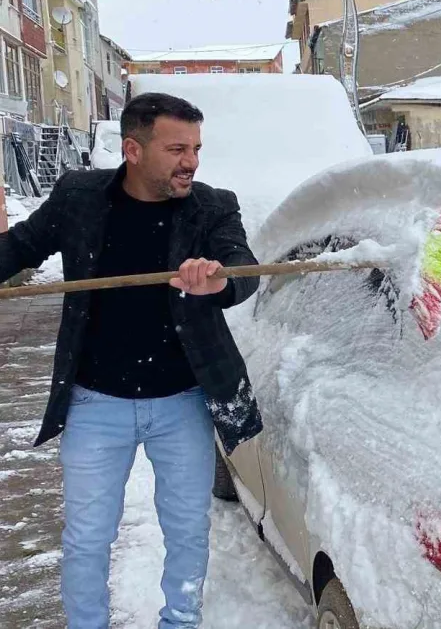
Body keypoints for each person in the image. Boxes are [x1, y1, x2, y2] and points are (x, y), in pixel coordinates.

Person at [0, 92, 264, 628]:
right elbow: (22, 245)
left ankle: (180, 622)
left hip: (183, 401)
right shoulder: (80, 197)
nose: (191, 160)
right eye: (176, 148)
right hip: (96, 404)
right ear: (133, 150)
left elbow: (244, 265)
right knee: (87, 537)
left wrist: (220, 279)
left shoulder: (212, 206)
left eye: (195, 147)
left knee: (188, 530)